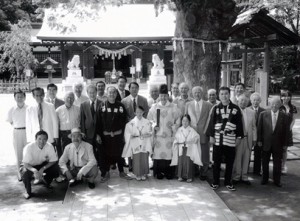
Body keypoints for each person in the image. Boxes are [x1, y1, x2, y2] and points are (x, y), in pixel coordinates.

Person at [206, 86, 244, 191]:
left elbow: (239, 125)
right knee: (216, 161)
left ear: (229, 94)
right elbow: (211, 123)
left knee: (230, 161)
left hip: (231, 138)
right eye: (222, 94)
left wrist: (239, 137)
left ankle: (228, 181)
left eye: (226, 93)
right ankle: (215, 182)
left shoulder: (236, 109)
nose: (224, 96)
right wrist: (211, 136)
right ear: (219, 95)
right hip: (218, 139)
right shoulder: (215, 108)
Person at [96, 86, 132, 181]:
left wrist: (124, 134)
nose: (112, 94)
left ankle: (122, 172)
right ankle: (106, 173)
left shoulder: (120, 106)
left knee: (120, 154)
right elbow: (98, 122)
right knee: (105, 154)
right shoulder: (102, 106)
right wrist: (98, 134)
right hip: (105, 136)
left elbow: (125, 121)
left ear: (116, 94)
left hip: (118, 136)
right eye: (110, 92)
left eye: (113, 92)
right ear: (107, 94)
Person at [147, 84, 181, 179]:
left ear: (168, 96)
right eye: (161, 96)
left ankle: (169, 173)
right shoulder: (154, 107)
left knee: (169, 154)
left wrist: (174, 127)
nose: (163, 98)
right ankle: (159, 173)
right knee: (158, 154)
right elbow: (149, 120)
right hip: (158, 136)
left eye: (165, 96)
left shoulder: (173, 107)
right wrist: (154, 126)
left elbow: (178, 119)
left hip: (169, 135)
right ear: (159, 96)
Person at [258, 96, 289, 187]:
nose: (274, 105)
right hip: (266, 143)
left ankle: (277, 180)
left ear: (280, 105)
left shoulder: (284, 116)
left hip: (278, 144)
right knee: (264, 162)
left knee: (277, 164)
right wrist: (259, 140)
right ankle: (265, 179)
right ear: (269, 104)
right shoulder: (263, 114)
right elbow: (259, 129)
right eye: (272, 104)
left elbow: (286, 132)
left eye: (276, 104)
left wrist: (285, 144)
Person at [21, 131, 59, 199]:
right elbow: (25, 163)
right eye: (39, 139)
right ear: (35, 139)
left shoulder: (49, 146)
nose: (42, 141)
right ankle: (28, 191)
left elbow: (53, 160)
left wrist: (43, 168)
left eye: (44, 139)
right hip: (29, 165)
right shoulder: (29, 147)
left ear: (47, 140)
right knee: (24, 173)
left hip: (41, 164)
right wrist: (34, 170)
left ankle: (46, 182)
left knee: (55, 167)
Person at [185, 86, 213, 180]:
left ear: (202, 93)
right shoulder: (188, 105)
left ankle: (204, 172)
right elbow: (186, 119)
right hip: (192, 133)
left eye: (199, 92)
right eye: (195, 92)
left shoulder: (208, 105)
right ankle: (195, 170)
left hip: (204, 133)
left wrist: (207, 132)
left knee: (204, 154)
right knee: (192, 153)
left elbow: (210, 120)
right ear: (192, 94)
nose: (197, 94)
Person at [122, 106, 153, 181]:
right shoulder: (131, 123)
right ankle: (137, 174)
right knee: (136, 157)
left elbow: (151, 132)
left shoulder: (147, 122)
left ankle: (144, 173)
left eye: (141, 112)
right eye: (137, 112)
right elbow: (127, 133)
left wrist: (149, 134)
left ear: (143, 112)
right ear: (135, 113)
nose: (139, 113)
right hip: (135, 142)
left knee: (144, 157)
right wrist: (130, 135)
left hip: (144, 141)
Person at [233, 94, 257, 185]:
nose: (243, 102)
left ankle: (244, 177)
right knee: (238, 158)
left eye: (245, 101)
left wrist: (254, 138)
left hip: (248, 139)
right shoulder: (234, 111)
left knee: (247, 158)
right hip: (238, 139)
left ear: (248, 103)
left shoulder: (252, 112)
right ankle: (237, 176)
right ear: (238, 101)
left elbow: (254, 127)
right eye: (241, 101)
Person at [171, 114, 202, 182]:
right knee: (181, 162)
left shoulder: (191, 130)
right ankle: (180, 176)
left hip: (189, 148)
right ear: (181, 121)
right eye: (183, 121)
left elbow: (197, 136)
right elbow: (176, 138)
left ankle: (189, 176)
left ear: (189, 122)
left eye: (186, 121)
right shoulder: (179, 129)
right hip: (181, 147)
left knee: (188, 162)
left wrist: (193, 140)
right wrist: (176, 142)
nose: (185, 122)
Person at [80, 84, 103, 169]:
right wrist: (82, 132)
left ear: (96, 92)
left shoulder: (102, 103)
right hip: (88, 132)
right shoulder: (83, 104)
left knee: (100, 150)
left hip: (98, 133)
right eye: (90, 93)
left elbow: (102, 120)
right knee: (90, 150)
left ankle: (101, 165)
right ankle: (92, 166)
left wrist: (100, 133)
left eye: (93, 92)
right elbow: (82, 119)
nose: (92, 95)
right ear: (87, 93)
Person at [6, 90, 27, 181]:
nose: (19, 98)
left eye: (21, 96)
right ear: (15, 98)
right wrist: (18, 127)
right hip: (17, 131)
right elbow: (11, 122)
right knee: (18, 153)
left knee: (28, 152)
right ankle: (20, 173)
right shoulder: (12, 109)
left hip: (27, 131)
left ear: (25, 97)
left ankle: (28, 172)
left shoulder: (29, 108)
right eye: (17, 97)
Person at [280, 90, 298, 174]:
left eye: (288, 96)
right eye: (284, 96)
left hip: (288, 131)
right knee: (278, 149)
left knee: (285, 149)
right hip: (279, 130)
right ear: (281, 97)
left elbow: (294, 119)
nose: (286, 98)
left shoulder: (293, 107)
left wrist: (290, 128)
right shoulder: (279, 106)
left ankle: (283, 166)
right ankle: (278, 165)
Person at [248, 92, 265, 175]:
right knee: (247, 154)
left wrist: (260, 138)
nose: (255, 102)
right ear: (251, 101)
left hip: (259, 137)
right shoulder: (247, 110)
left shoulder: (263, 111)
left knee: (258, 154)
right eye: (254, 100)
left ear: (260, 101)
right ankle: (245, 169)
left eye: (257, 100)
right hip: (249, 136)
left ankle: (257, 171)